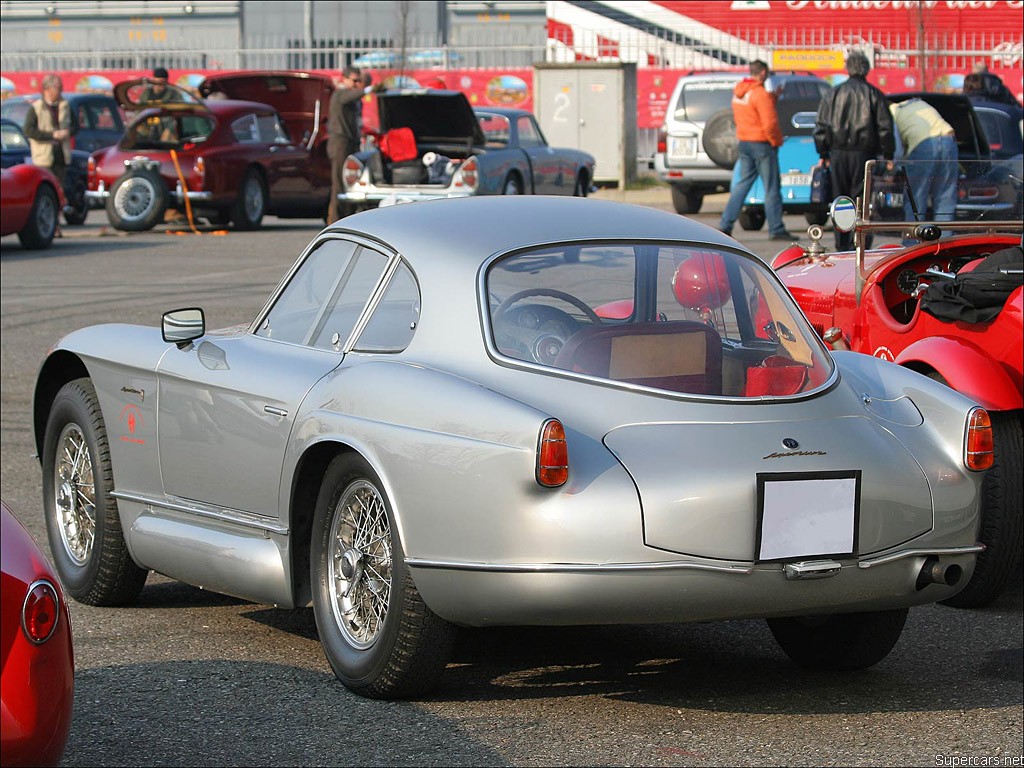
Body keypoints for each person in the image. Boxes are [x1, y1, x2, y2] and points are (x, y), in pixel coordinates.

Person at [813, 51, 895, 250]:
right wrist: (888, 155)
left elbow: (821, 126)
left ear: (848, 68)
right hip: (864, 154)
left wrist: (823, 154)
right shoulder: (874, 94)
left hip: (838, 153)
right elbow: (885, 128)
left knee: (840, 201)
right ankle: (859, 244)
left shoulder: (833, 93)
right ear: (866, 69)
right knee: (861, 201)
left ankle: (841, 245)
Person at [718, 60, 797, 241]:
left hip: (745, 141)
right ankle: (776, 229)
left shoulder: (740, 92)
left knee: (742, 185)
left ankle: (725, 225)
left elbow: (753, 111)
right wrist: (776, 141)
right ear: (762, 73)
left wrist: (773, 97)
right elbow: (769, 123)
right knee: (772, 188)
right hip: (762, 144)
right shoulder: (760, 94)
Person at [889, 97, 958, 225]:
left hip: (923, 146)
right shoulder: (919, 103)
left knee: (915, 199)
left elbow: (897, 151)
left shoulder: (892, 111)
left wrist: (894, 169)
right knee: (945, 197)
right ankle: (944, 242)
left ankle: (913, 241)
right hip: (949, 140)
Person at [327, 66, 383, 223]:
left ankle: (348, 219)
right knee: (339, 185)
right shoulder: (340, 93)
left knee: (350, 184)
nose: (358, 84)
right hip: (340, 143)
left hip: (351, 142)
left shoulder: (354, 97)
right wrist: (370, 88)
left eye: (360, 81)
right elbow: (349, 96)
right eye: (355, 80)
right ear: (344, 79)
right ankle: (335, 223)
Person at [22, 73, 77, 185]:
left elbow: (76, 126)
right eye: (57, 88)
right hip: (43, 158)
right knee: (47, 187)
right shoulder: (37, 108)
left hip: (61, 156)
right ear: (47, 89)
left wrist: (68, 132)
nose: (60, 91)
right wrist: (52, 135)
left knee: (60, 188)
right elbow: (28, 130)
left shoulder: (65, 105)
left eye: (60, 88)